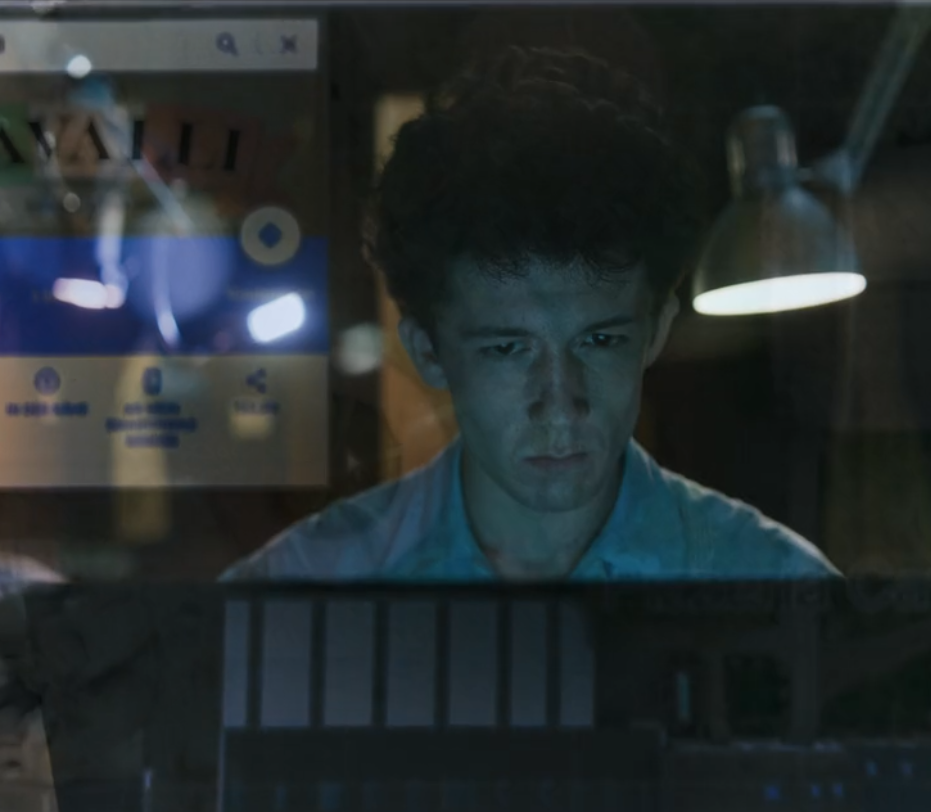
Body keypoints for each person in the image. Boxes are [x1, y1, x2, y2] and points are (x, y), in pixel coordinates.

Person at [223, 46, 838, 582]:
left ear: (654, 333)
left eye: (599, 341)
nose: (560, 402)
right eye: (506, 349)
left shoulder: (775, 586)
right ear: (429, 351)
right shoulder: (305, 587)